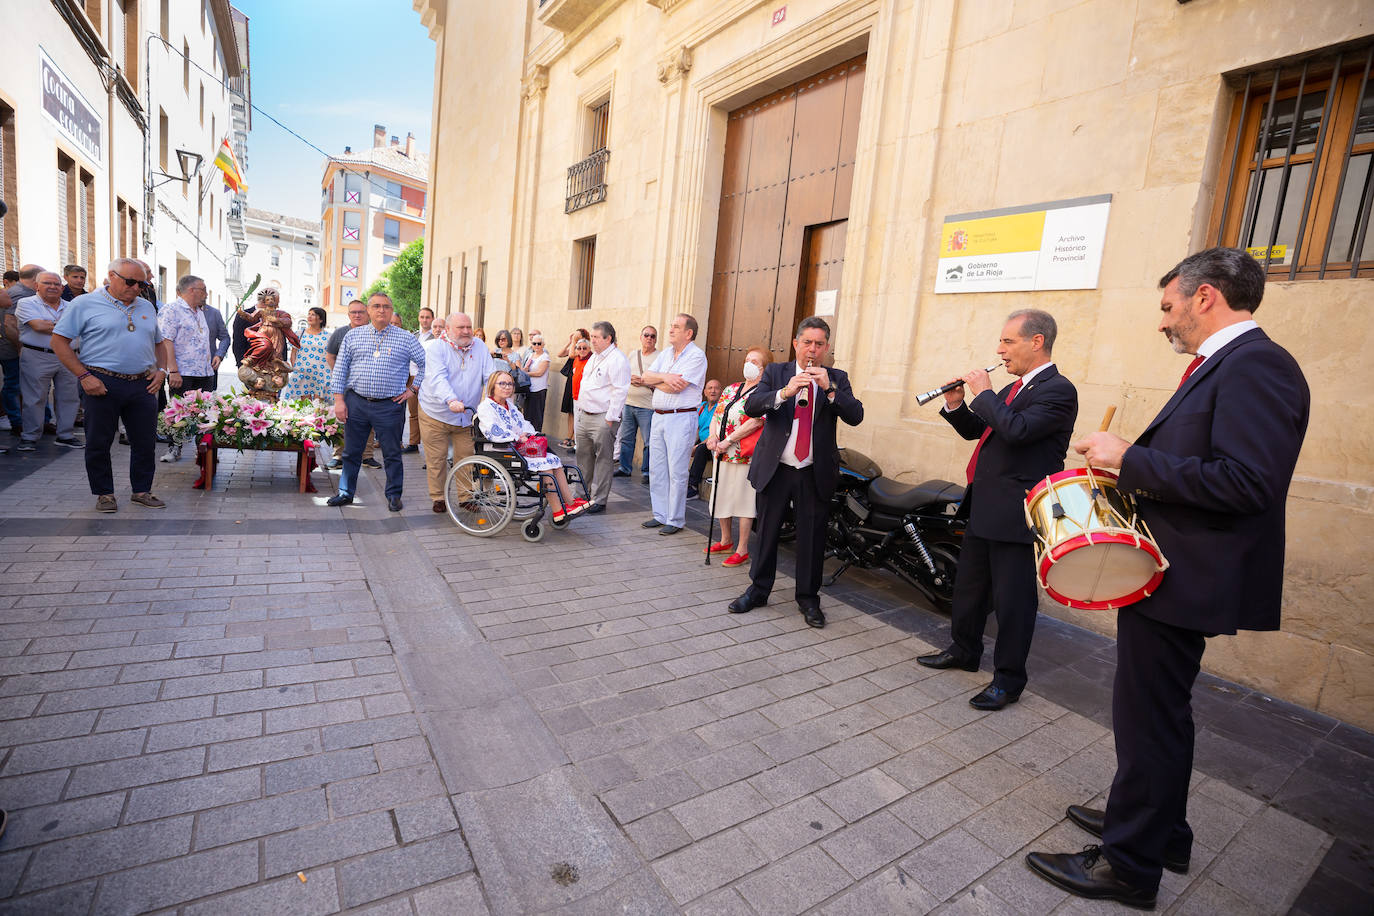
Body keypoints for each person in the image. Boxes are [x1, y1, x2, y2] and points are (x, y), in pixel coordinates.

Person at [1027, 248, 1310, 909]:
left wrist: (1131, 458)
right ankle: (1164, 833)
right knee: (1160, 713)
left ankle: (1127, 866)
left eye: (1167, 306)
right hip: (1175, 570)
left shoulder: (1258, 365)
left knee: (1148, 719)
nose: (1162, 322)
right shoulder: (1226, 364)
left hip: (1188, 575)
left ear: (1205, 297)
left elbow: (1247, 482)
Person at [916, 309, 1078, 711]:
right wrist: (957, 405)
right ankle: (964, 650)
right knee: (969, 589)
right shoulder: (1012, 389)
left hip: (1017, 513)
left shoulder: (1058, 390)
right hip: (985, 505)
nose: (1000, 350)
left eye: (1008, 341)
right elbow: (982, 430)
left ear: (1036, 342)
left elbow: (1017, 431)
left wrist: (984, 393)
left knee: (1013, 603)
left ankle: (1008, 680)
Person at [727, 316, 863, 628]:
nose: (812, 349)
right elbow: (752, 406)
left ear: (826, 348)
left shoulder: (837, 377)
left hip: (813, 471)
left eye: (819, 344)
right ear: (795, 344)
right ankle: (758, 590)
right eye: (807, 343)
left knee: (812, 538)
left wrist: (830, 390)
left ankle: (808, 598)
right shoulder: (777, 372)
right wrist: (784, 393)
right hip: (777, 468)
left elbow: (856, 415)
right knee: (767, 532)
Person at [51, 259, 172, 513]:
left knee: (145, 442)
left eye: (142, 284)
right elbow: (59, 342)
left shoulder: (146, 306)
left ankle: (142, 490)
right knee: (99, 441)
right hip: (101, 381)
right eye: (130, 282)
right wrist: (84, 376)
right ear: (111, 276)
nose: (136, 288)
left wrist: (162, 371)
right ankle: (104, 493)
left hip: (142, 383)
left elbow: (159, 343)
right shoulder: (84, 303)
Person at [326, 293, 426, 512]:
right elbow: (340, 369)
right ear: (368, 310)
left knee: (392, 453)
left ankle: (394, 495)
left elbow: (425, 363)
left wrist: (413, 389)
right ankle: (345, 492)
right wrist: (339, 400)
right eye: (377, 306)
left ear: (391, 311)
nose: (382, 310)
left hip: (390, 406)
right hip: (356, 402)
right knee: (351, 452)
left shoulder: (406, 338)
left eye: (386, 307)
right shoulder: (353, 336)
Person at [476, 370, 588, 522]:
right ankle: (557, 511)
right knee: (545, 465)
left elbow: (524, 424)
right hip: (501, 447)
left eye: (510, 384)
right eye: (502, 383)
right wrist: (517, 437)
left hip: (518, 446)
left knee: (554, 460)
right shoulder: (486, 407)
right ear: (492, 386)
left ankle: (570, 503)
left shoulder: (510, 406)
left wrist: (528, 434)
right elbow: (493, 430)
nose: (507, 387)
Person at [639, 313, 708, 536]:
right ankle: (660, 514)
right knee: (657, 468)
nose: (670, 330)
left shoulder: (696, 356)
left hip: (681, 417)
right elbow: (645, 377)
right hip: (658, 415)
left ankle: (675, 519)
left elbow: (677, 387)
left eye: (676, 327)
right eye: (671, 326)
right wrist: (667, 377)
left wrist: (659, 380)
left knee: (677, 471)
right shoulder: (666, 353)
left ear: (689, 333)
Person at [417, 311, 492, 513]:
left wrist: (495, 399)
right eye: (461, 327)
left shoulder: (480, 346)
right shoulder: (436, 348)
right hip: (435, 413)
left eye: (469, 327)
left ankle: (465, 497)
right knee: (437, 458)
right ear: (448, 329)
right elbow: (437, 378)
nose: (466, 331)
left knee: (466, 457)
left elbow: (490, 376)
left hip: (466, 415)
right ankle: (438, 497)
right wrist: (450, 399)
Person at [704, 350, 767, 567]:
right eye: (747, 360)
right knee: (721, 495)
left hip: (743, 454)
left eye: (754, 361)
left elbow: (756, 422)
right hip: (721, 451)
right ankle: (725, 540)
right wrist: (713, 437)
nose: (749, 364)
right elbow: (717, 415)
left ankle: (742, 549)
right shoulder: (731, 389)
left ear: (764, 368)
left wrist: (728, 441)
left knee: (743, 500)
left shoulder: (764, 392)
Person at [14, 272, 80, 450]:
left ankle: (65, 435)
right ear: (37, 286)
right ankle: (30, 437)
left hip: (69, 355)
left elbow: (81, 327)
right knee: (34, 397)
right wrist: (68, 327)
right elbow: (38, 326)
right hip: (37, 355)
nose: (52, 287)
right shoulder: (26, 303)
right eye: (47, 283)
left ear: (62, 288)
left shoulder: (72, 306)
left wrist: (52, 324)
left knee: (69, 397)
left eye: (56, 284)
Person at [156, 275, 218, 461]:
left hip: (204, 371)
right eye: (203, 290)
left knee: (205, 411)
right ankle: (174, 449)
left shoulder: (199, 311)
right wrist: (173, 370)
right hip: (183, 372)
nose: (206, 294)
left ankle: (203, 449)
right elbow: (166, 341)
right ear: (192, 290)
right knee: (179, 411)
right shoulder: (171, 310)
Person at [574, 321, 631, 514]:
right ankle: (581, 496)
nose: (593, 341)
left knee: (603, 459)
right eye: (592, 337)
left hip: (603, 417)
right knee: (583, 457)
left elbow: (620, 391)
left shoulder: (617, 359)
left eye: (596, 337)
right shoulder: (594, 357)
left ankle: (599, 499)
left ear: (608, 338)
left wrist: (610, 419)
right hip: (585, 414)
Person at [324, 300, 379, 470]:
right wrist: (341, 374)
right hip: (345, 387)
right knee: (341, 419)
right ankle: (339, 456)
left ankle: (367, 456)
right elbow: (330, 356)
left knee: (369, 421)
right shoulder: (340, 333)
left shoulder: (376, 333)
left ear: (367, 313)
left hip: (368, 386)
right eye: (353, 312)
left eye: (361, 312)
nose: (357, 315)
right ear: (348, 315)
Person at [616, 325, 659, 482]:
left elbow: (662, 381)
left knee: (649, 442)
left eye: (652, 336)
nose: (649, 338)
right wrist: (630, 379)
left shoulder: (659, 357)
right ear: (641, 337)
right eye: (646, 335)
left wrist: (644, 382)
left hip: (648, 407)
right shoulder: (633, 354)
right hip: (629, 403)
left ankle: (646, 472)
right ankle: (624, 468)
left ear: (656, 339)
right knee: (626, 439)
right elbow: (623, 374)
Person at [404, 307, 439, 453]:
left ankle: (430, 447)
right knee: (413, 412)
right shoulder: (414, 336)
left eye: (427, 317)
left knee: (428, 414)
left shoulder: (436, 337)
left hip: (427, 379)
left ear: (432, 319)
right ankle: (413, 443)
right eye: (422, 317)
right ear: (418, 318)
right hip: (412, 378)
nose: (424, 320)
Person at [281, 307, 331, 402]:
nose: (309, 317)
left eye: (313, 315)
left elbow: (331, 356)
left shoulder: (328, 337)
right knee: (304, 404)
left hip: (321, 374)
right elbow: (293, 353)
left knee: (318, 405)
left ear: (321, 319)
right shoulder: (299, 334)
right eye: (309, 314)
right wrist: (295, 368)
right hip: (302, 373)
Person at [686, 378, 723, 498]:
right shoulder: (701, 406)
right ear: (705, 392)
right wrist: (690, 445)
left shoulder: (722, 408)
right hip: (703, 443)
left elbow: (716, 433)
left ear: (721, 392)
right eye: (710, 388)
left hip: (716, 445)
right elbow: (697, 429)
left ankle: (692, 487)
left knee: (701, 449)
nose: (713, 391)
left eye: (716, 388)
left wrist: (697, 446)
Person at [557, 328, 591, 448]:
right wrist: (570, 341)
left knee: (577, 411)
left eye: (578, 336)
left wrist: (574, 342)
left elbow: (571, 355)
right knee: (570, 410)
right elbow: (560, 354)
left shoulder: (582, 349)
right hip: (572, 379)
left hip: (580, 382)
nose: (575, 338)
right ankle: (569, 435)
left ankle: (574, 438)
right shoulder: (574, 346)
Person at [522, 332, 551, 432]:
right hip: (529, 388)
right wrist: (524, 370)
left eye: (539, 343)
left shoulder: (545, 357)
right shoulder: (531, 355)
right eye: (534, 343)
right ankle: (528, 435)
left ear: (543, 344)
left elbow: (540, 373)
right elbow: (525, 368)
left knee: (537, 415)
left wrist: (526, 373)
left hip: (539, 389)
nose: (537, 346)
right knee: (527, 414)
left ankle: (536, 435)